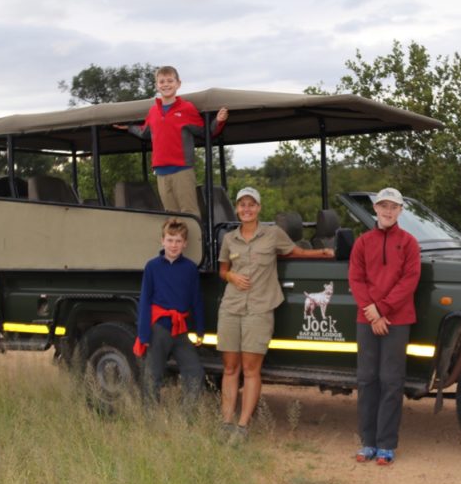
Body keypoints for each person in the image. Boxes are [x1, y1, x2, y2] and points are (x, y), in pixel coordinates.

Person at [217, 187, 334, 441]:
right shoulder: (229, 239)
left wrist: (322, 253)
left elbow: (295, 252)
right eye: (242, 205)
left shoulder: (272, 234)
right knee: (229, 368)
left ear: (259, 208)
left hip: (259, 308)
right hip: (231, 306)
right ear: (237, 209)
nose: (246, 209)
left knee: (250, 369)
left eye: (251, 204)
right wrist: (231, 276)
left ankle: (242, 426)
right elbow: (223, 270)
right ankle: (225, 422)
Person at [348, 187, 421, 466]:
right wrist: (372, 313)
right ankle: (367, 442)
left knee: (391, 380)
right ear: (375, 209)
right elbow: (356, 278)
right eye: (383, 206)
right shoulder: (363, 242)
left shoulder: (410, 243)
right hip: (367, 319)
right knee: (367, 379)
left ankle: (386, 444)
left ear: (400, 211)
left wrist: (382, 309)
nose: (388, 211)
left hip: (397, 319)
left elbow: (409, 280)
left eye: (393, 207)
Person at [115, 66, 228, 217]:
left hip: (182, 170)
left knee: (190, 215)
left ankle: (196, 241)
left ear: (178, 84)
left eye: (170, 80)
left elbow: (205, 132)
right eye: (162, 81)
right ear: (156, 85)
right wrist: (128, 128)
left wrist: (218, 121)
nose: (166, 84)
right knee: (171, 216)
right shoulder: (153, 111)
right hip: (161, 172)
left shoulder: (187, 108)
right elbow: (144, 132)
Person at [134, 217, 205, 411]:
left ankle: (185, 416)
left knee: (195, 373)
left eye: (178, 241)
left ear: (185, 243)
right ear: (162, 241)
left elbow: (196, 300)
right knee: (153, 374)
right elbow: (145, 301)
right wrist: (143, 334)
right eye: (170, 240)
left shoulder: (190, 268)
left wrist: (200, 329)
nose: (174, 245)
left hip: (180, 330)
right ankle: (151, 417)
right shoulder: (152, 267)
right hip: (159, 328)